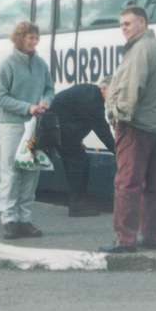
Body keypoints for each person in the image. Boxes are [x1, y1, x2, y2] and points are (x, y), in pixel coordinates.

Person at [100, 5, 156, 253]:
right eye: (121, 25)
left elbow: (132, 87)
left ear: (142, 23)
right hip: (154, 125)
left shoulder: (140, 49)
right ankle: (153, 236)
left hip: (135, 125)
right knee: (152, 185)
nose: (123, 29)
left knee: (126, 183)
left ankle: (124, 239)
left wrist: (118, 115)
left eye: (127, 24)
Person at [0, 21, 54, 240]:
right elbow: (0, 97)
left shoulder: (40, 64)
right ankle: (9, 220)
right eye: (30, 38)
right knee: (11, 171)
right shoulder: (7, 65)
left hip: (34, 125)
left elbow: (49, 88)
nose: (34, 42)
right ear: (19, 38)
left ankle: (25, 219)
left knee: (31, 171)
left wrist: (46, 101)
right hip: (11, 125)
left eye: (36, 39)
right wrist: (27, 107)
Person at [44, 78, 116, 217]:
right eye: (113, 92)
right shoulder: (93, 99)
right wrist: (118, 151)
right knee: (79, 163)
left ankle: (77, 205)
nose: (115, 97)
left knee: (79, 162)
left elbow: (76, 114)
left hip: (59, 128)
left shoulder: (91, 94)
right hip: (57, 129)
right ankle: (77, 207)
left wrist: (76, 139)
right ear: (103, 89)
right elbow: (102, 129)